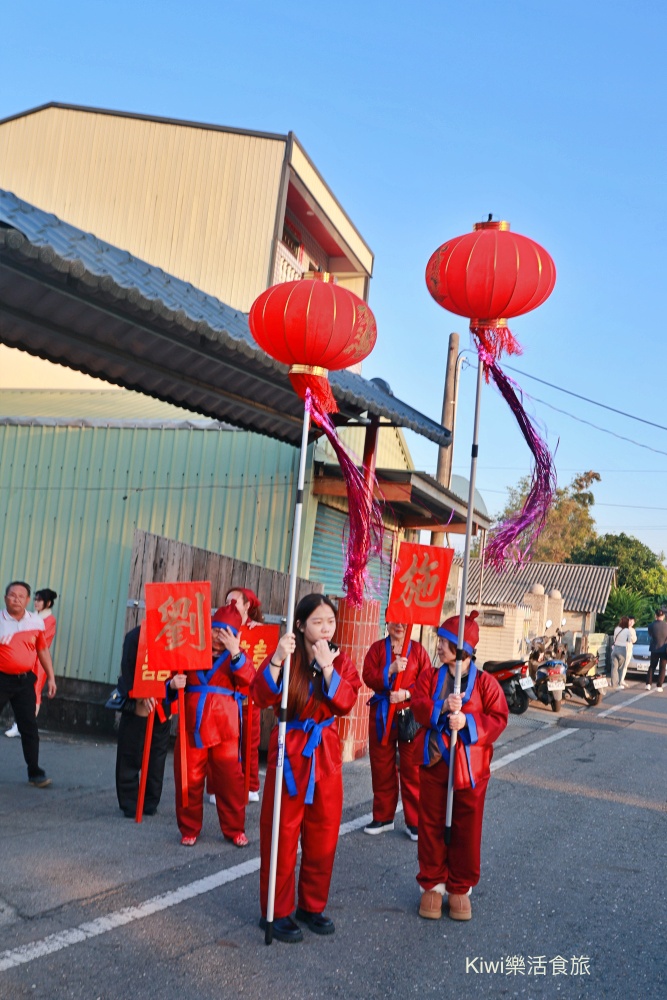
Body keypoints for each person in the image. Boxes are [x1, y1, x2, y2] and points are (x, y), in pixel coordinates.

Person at [252, 594, 361, 943]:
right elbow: (260, 696)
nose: (326, 627)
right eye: (317, 621)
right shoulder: (288, 654)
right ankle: (276, 909)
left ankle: (311, 905)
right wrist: (276, 660)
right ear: (300, 624)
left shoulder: (341, 660)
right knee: (282, 833)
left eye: (330, 620)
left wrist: (328, 667)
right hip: (290, 750)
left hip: (325, 755)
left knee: (323, 833)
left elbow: (346, 702)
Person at [412, 610, 508, 922]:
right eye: (439, 641)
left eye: (444, 642)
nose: (438, 647)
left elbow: (499, 718)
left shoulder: (487, 683)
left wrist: (467, 722)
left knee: (468, 829)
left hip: (472, 769)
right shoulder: (430, 676)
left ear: (462, 648)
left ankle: (460, 887)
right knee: (430, 824)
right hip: (436, 761)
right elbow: (417, 704)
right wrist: (440, 708)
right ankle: (432, 883)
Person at [169, 603, 255, 847]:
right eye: (216, 630)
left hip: (225, 728)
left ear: (235, 635)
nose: (219, 637)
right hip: (192, 727)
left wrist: (235, 651)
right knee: (188, 779)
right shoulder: (191, 650)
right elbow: (167, 683)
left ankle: (234, 828)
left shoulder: (238, 655)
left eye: (225, 632)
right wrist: (173, 685)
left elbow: (250, 680)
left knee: (230, 781)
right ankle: (189, 828)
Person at [362, 620, 431, 841]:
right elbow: (367, 675)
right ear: (388, 621)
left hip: (409, 717)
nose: (400, 626)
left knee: (412, 768)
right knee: (381, 766)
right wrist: (389, 670)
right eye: (395, 622)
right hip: (382, 714)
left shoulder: (418, 651)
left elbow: (428, 681)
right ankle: (383, 817)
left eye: (405, 622)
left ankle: (415, 821)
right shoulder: (376, 649)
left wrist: (407, 694)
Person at [0, 581, 57, 787]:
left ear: (27, 600)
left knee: (29, 728)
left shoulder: (35, 622)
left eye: (21, 596)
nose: (16, 599)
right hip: (1, 680)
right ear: (5, 598)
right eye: (12, 595)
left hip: (24, 681)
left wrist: (50, 677)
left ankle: (35, 772)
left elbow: (42, 650)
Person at [115, 625, 172, 818]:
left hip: (164, 701)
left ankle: (150, 801)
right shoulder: (135, 636)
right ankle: (130, 801)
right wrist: (140, 693)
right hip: (140, 701)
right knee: (130, 751)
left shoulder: (178, 636)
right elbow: (127, 669)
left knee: (157, 756)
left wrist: (172, 693)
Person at [225, 587, 264, 802]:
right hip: (226, 696)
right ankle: (219, 787)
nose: (230, 607)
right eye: (227, 602)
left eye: (235, 603)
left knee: (250, 742)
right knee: (224, 744)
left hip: (249, 697)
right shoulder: (221, 627)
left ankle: (251, 785)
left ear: (247, 606)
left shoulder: (257, 631)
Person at [6, 587, 58, 739]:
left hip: (38, 662)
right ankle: (22, 725)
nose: (36, 602)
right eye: (35, 599)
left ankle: (23, 726)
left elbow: (40, 642)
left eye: (39, 600)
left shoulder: (49, 620)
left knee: (33, 693)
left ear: (48, 603)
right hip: (26, 659)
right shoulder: (32, 617)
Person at [611, 616, 637, 689]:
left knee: (615, 666)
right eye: (630, 621)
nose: (631, 622)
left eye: (632, 621)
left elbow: (614, 638)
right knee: (621, 667)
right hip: (624, 649)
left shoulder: (617, 628)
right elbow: (632, 640)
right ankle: (619, 682)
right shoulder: (628, 630)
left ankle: (615, 681)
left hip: (617, 648)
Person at [646, 609, 667, 692]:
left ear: (655, 616)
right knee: (662, 668)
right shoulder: (666, 625)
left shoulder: (651, 625)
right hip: (664, 649)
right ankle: (659, 686)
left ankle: (648, 684)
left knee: (652, 666)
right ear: (663, 616)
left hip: (654, 649)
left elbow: (650, 635)